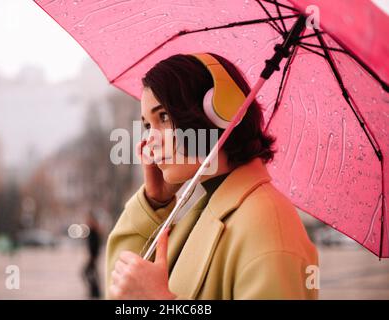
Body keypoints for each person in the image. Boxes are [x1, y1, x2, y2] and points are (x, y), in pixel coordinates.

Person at [105, 53, 319, 300]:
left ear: (217, 113)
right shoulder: (204, 206)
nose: (149, 141)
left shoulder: (269, 228)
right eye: (147, 125)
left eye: (163, 117)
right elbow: (121, 289)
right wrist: (154, 202)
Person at [83, 214, 102, 299]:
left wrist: (93, 256)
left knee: (87, 273)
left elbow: (95, 245)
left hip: (93, 257)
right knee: (92, 274)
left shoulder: (95, 232)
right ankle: (95, 291)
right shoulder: (91, 232)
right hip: (92, 256)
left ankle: (95, 291)